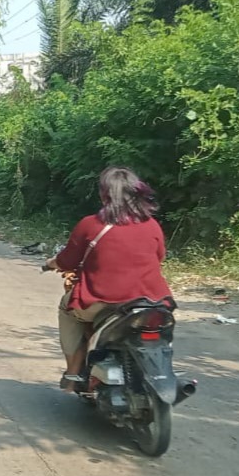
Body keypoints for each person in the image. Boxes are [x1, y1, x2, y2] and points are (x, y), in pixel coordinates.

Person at [43, 166, 172, 391]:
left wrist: (51, 263)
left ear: (105, 194)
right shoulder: (152, 225)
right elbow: (159, 256)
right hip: (152, 301)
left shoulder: (91, 224)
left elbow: (67, 261)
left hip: (103, 301)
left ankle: (73, 373)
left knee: (67, 309)